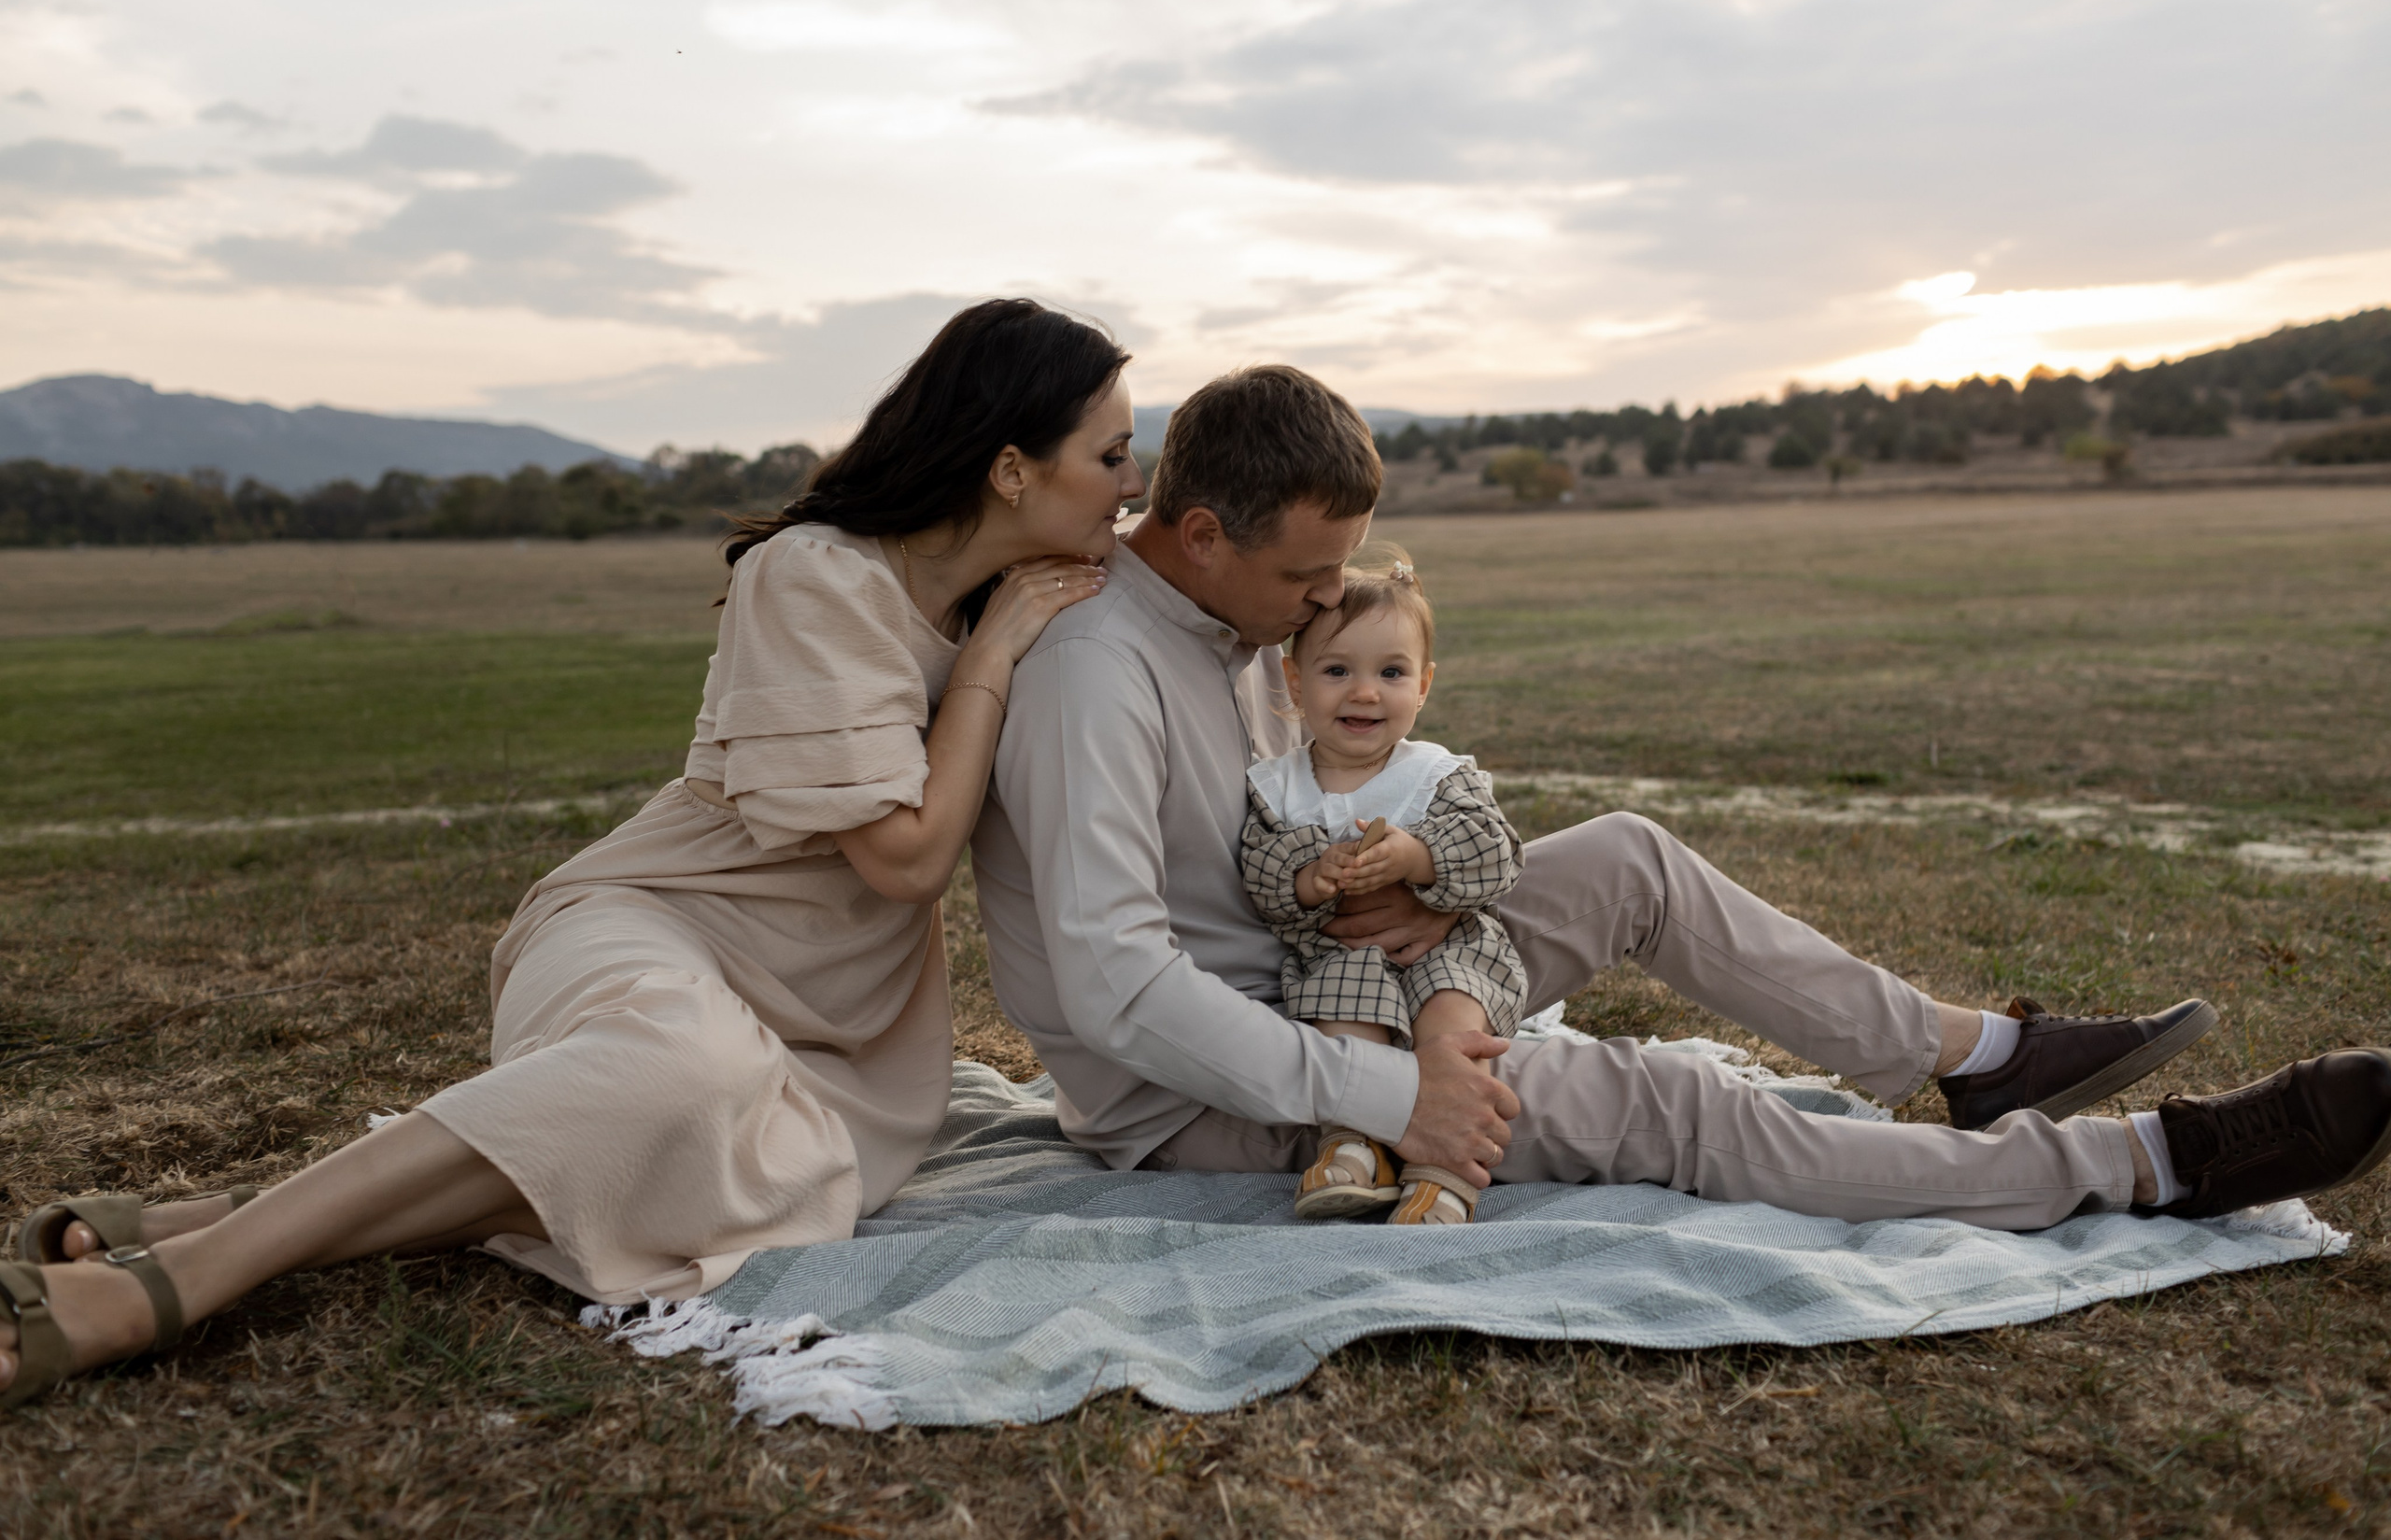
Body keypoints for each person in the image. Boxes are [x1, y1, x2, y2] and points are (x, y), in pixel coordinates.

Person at [0, 298, 1146, 1409]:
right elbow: (902, 861)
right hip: (666, 918)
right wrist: (993, 654)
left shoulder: (1028, 593)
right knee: (685, 1075)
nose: (1133, 483)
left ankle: (205, 1217)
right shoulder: (818, 573)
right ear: (1011, 470)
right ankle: (176, 1285)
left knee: (717, 1140)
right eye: (1112, 454)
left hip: (849, 1024)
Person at [969, 360, 2391, 1233]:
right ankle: (2147, 1161)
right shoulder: (1100, 673)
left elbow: (1266, 833)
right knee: (1666, 1103)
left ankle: (1972, 1054)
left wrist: (1410, 874)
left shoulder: (1225, 627)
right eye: (1306, 580)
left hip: (1330, 958)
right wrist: (1393, 1087)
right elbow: (1115, 987)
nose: (1333, 602)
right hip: (1211, 1084)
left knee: (1631, 858)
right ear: (1202, 531)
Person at [1240, 544, 1527, 1226]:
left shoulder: (1432, 773)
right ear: (1295, 680)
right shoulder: (1278, 788)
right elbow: (1261, 871)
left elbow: (1499, 854)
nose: (1365, 691)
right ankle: (1354, 1145)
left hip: (1448, 948)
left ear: (1423, 685)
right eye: (1337, 669)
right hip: (1344, 954)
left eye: (1391, 672)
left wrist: (1418, 855)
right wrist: (1312, 877)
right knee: (1343, 1011)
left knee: (1454, 1027)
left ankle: (1447, 1172)